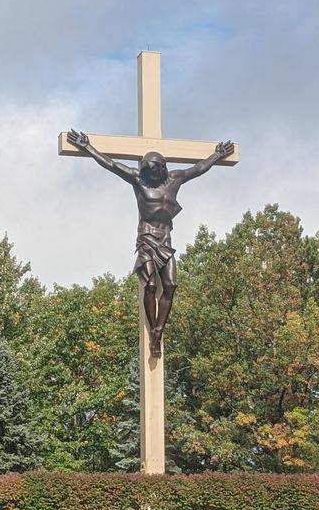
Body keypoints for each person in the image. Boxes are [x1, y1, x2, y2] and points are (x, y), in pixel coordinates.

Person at [66, 130, 235, 356]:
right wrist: (88, 147)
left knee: (171, 285)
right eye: (149, 171)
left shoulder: (174, 179)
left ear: (163, 167)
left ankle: (158, 331)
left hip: (166, 240)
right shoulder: (138, 179)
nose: (152, 175)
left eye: (155, 171)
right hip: (147, 237)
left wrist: (216, 155)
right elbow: (112, 165)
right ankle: (154, 332)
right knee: (151, 286)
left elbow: (198, 169)